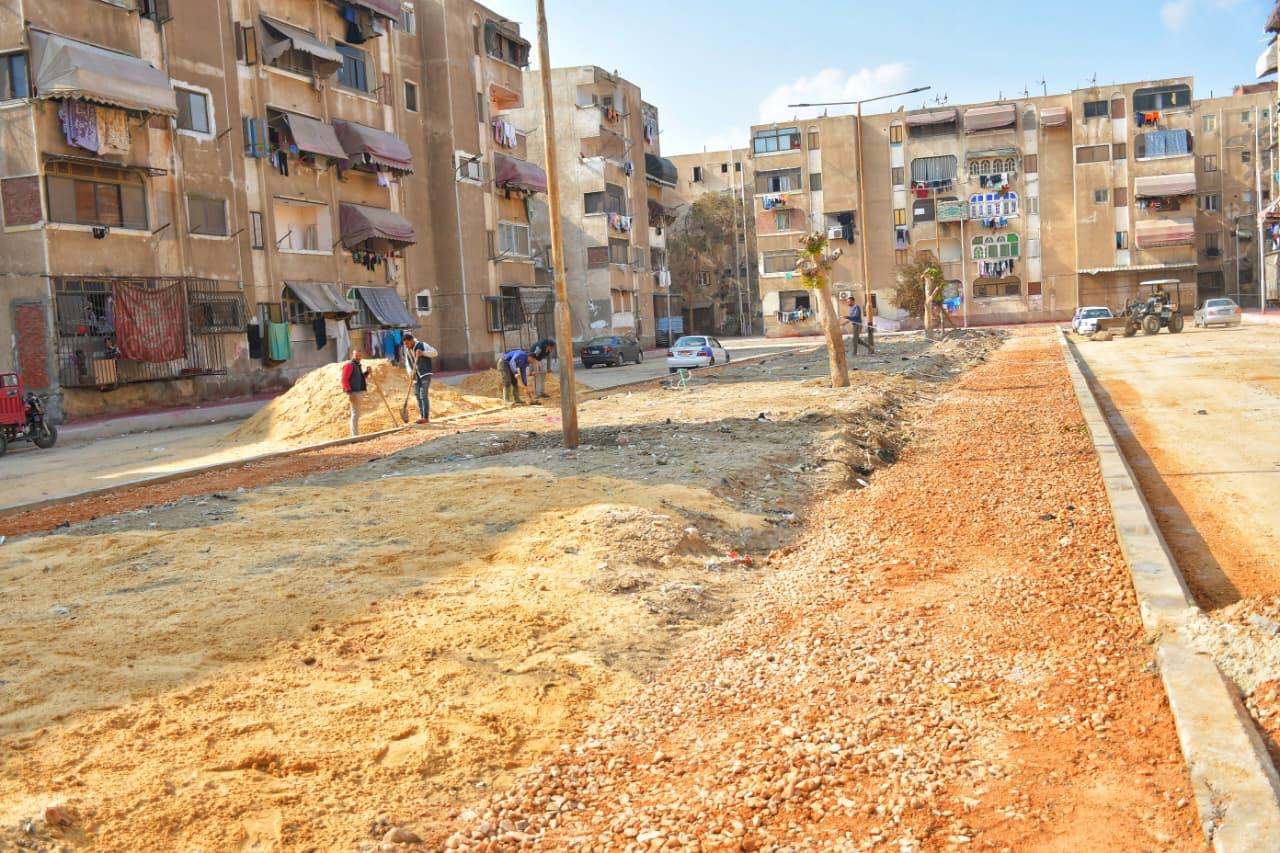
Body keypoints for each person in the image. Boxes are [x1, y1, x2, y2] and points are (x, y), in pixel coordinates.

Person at [403, 333, 437, 424]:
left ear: (412, 340)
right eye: (405, 344)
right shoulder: (407, 350)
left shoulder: (422, 345)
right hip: (415, 376)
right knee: (417, 395)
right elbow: (407, 363)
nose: (406, 345)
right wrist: (410, 372)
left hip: (425, 373)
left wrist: (423, 353)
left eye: (407, 343)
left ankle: (425, 418)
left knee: (423, 395)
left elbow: (435, 352)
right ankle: (422, 417)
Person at [341, 349, 371, 436]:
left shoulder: (357, 365)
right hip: (354, 393)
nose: (358, 357)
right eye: (356, 355)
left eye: (359, 355)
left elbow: (360, 378)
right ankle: (355, 436)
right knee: (355, 414)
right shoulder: (349, 365)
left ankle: (355, 434)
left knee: (356, 414)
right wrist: (349, 393)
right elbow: (344, 380)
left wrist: (367, 373)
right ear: (352, 355)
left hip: (358, 392)